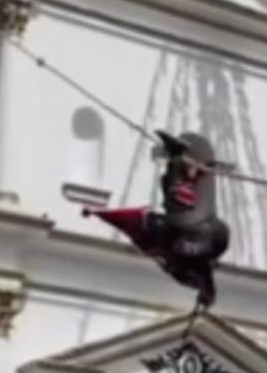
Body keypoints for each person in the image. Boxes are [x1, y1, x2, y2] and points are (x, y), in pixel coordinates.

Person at [83, 131, 230, 308]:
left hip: (165, 233)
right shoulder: (195, 262)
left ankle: (179, 160)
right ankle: (181, 161)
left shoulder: (186, 264)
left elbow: (200, 270)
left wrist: (206, 292)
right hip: (175, 234)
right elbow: (202, 270)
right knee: (180, 203)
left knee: (176, 200)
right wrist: (207, 293)